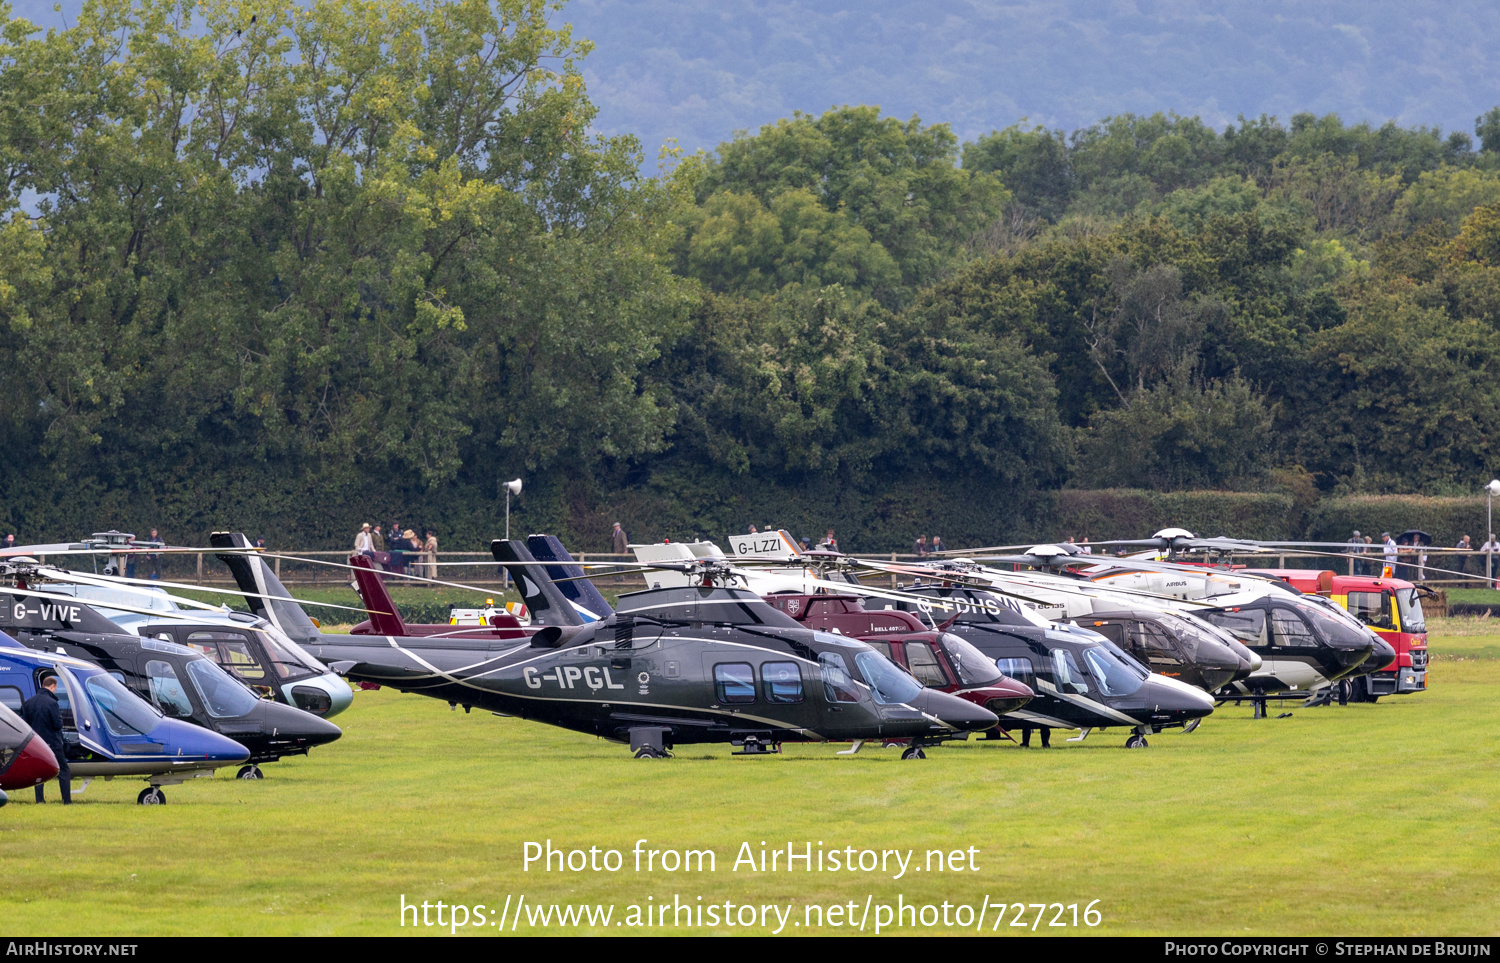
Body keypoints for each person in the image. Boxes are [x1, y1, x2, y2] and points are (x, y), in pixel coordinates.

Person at [19, 674, 70, 804]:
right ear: (52, 686)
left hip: (35, 744)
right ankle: (66, 801)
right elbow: (57, 725)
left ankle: (40, 800)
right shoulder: (52, 703)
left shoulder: (29, 702)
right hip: (52, 742)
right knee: (63, 771)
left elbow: (24, 724)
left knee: (39, 772)